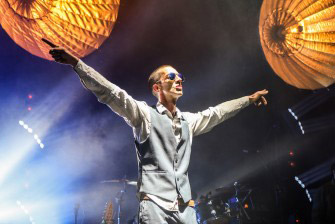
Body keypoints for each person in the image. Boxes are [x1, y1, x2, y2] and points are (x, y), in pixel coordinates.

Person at [43, 39, 268, 224]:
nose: (179, 79)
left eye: (180, 77)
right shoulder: (144, 115)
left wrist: (247, 100)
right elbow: (111, 92)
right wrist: (76, 63)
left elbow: (216, 113)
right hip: (155, 207)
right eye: (171, 76)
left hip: (185, 209)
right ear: (157, 88)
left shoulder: (188, 121)